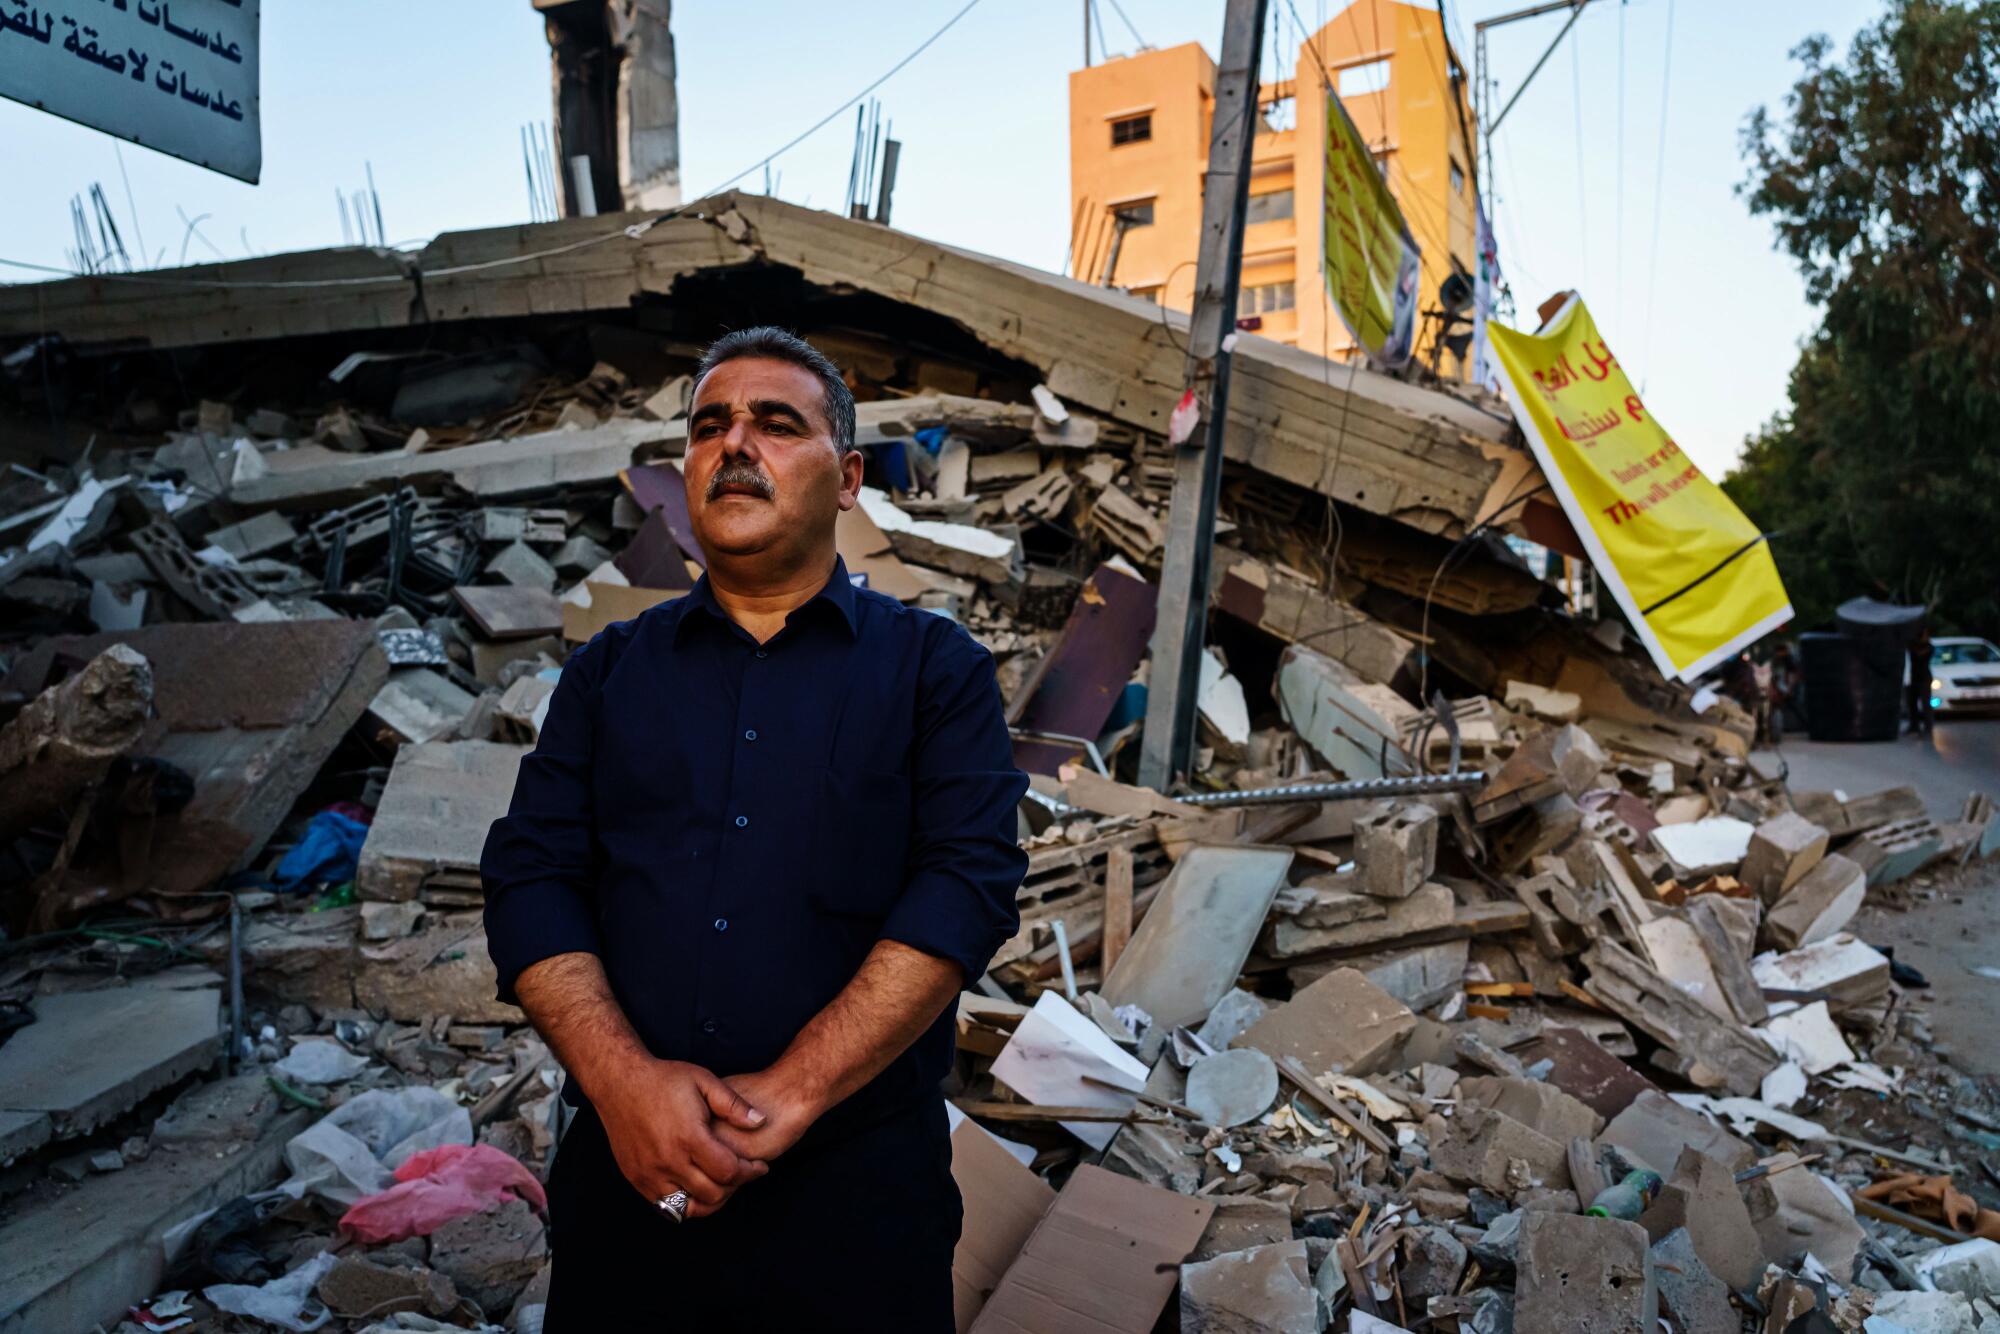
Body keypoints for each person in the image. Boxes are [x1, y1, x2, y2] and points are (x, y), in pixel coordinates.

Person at [480, 327, 1029, 1330]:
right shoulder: (609, 672)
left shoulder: (933, 673)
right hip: (630, 1198)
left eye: (776, 423)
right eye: (708, 426)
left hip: (856, 1216)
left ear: (849, 475)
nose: (733, 445)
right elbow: (530, 876)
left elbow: (966, 882)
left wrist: (795, 1088)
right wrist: (622, 1084)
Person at [1908, 623, 1935, 734]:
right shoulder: (1913, 645)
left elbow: (1920, 654)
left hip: (1924, 678)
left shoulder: (1929, 647)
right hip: (1914, 677)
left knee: (1925, 703)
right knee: (1912, 703)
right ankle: (1914, 725)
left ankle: (1928, 726)